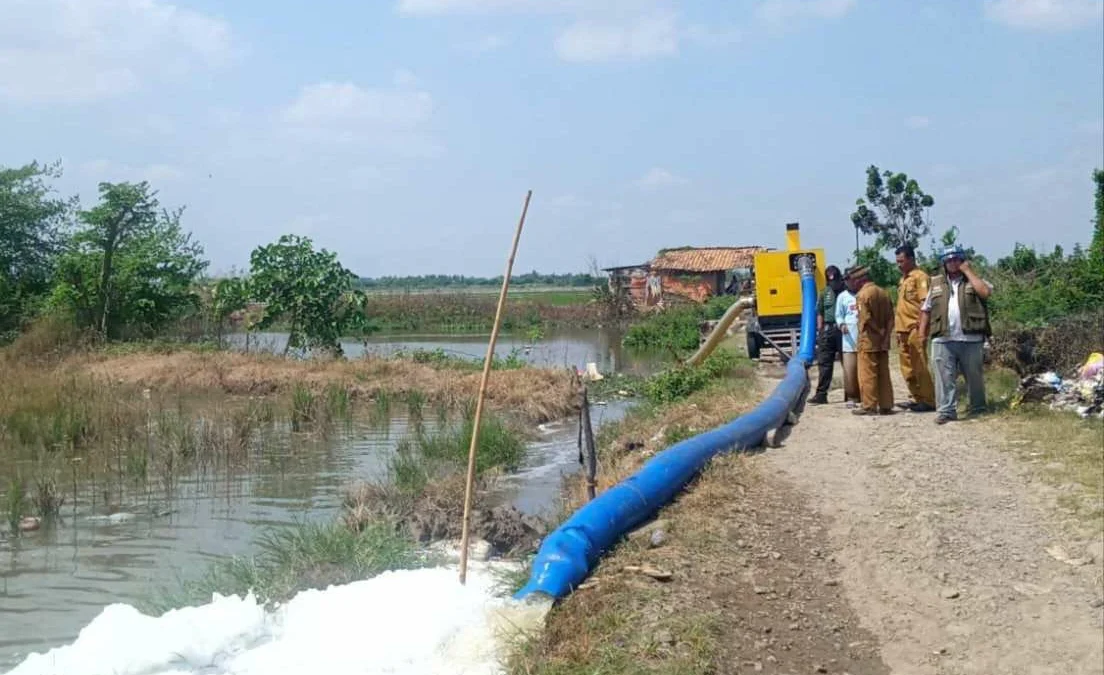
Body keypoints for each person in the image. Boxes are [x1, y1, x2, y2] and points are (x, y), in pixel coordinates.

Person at [919, 244, 994, 425]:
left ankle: (977, 407)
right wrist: (922, 333)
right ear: (943, 263)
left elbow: (985, 293)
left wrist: (968, 271)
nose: (952, 263)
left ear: (962, 260)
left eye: (956, 259)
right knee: (944, 377)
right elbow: (926, 310)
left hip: (971, 338)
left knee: (974, 375)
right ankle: (946, 410)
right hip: (943, 338)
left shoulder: (974, 280)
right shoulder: (936, 283)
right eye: (948, 260)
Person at [894, 245, 936, 412]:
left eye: (902, 261)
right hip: (902, 329)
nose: (899, 265)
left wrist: (922, 331)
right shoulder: (903, 279)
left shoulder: (921, 277)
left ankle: (929, 400)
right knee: (907, 368)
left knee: (920, 366)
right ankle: (917, 397)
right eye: (897, 261)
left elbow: (925, 304)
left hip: (914, 328)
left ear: (911, 259)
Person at [849, 265, 895, 415]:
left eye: (853, 281)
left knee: (867, 374)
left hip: (868, 341)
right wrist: (886, 335)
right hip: (883, 343)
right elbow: (890, 318)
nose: (852, 284)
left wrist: (878, 331)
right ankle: (886, 404)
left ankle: (869, 405)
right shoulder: (883, 292)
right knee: (883, 373)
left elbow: (866, 318)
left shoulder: (862, 295)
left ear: (859, 280)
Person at [808, 265, 845, 405]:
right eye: (830, 281)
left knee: (847, 362)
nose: (833, 283)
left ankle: (852, 393)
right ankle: (821, 394)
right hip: (828, 330)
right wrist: (820, 330)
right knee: (824, 364)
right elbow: (820, 312)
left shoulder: (847, 292)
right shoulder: (824, 293)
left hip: (843, 331)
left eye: (835, 280)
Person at [835, 269, 860, 407]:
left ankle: (866, 396)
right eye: (846, 280)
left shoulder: (864, 293)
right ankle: (851, 396)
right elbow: (838, 315)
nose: (849, 282)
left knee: (864, 371)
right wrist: (842, 324)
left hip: (864, 340)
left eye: (851, 279)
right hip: (849, 340)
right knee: (850, 371)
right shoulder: (842, 297)